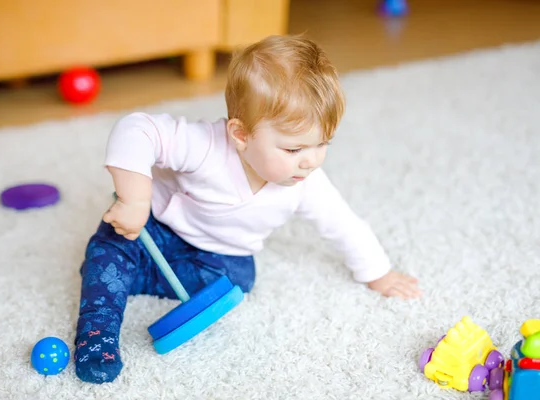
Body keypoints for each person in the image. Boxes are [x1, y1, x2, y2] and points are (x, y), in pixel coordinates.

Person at [73, 34, 422, 384]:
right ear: (240, 135)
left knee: (240, 281)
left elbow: (343, 224)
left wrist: (378, 273)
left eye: (323, 143)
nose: (311, 161)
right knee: (111, 247)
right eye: (293, 149)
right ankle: (97, 336)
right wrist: (135, 199)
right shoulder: (204, 146)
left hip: (222, 255)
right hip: (156, 226)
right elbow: (137, 129)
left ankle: (124, 275)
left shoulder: (307, 182)